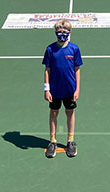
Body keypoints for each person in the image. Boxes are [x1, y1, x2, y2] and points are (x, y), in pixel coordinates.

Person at [43, 19, 82, 158]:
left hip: (69, 89)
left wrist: (77, 89)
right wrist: (46, 89)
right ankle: (52, 140)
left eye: (65, 32)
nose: (62, 34)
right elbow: (47, 69)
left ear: (69, 33)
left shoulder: (74, 49)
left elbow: (77, 69)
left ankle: (70, 140)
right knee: (53, 112)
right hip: (54, 89)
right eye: (59, 32)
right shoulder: (50, 49)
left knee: (70, 112)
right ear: (55, 33)